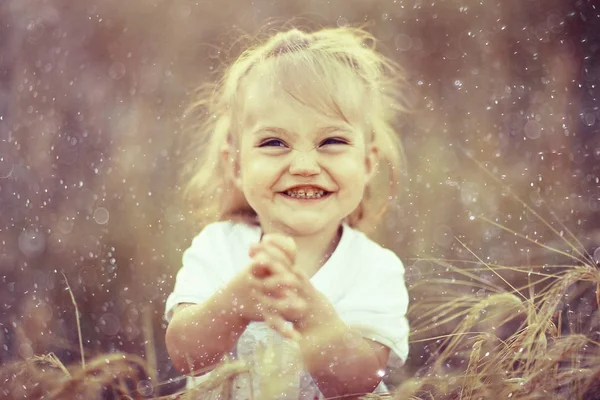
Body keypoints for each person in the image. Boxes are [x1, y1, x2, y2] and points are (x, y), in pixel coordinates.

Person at [164, 24, 410, 399]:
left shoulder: (374, 268)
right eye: (274, 142)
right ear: (236, 165)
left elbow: (360, 379)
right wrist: (235, 303)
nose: (305, 165)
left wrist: (310, 311)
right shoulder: (218, 248)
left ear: (366, 161)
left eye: (331, 141)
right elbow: (186, 355)